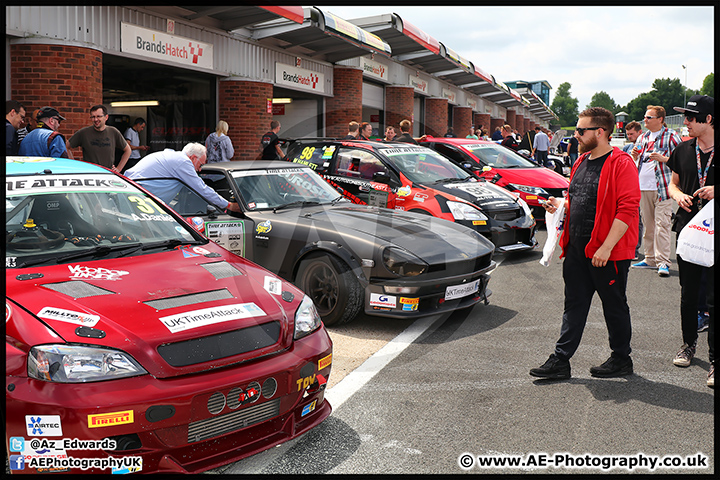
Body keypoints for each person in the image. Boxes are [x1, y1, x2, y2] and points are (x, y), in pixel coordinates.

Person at [529, 107, 640, 380]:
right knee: (573, 305)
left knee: (614, 305)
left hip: (606, 253)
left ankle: (621, 358)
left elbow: (627, 209)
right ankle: (561, 360)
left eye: (581, 130)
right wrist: (559, 204)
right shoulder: (580, 161)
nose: (575, 135)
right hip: (577, 249)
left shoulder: (621, 163)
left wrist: (606, 247)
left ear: (600, 132)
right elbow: (580, 197)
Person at [666, 95, 714, 387]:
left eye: (691, 118)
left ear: (708, 119)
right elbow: (672, 184)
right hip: (688, 233)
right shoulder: (683, 149)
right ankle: (688, 344)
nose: (685, 123)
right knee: (688, 294)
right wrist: (678, 195)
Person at [630, 105, 682, 277]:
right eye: (645, 117)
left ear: (660, 119)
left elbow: (682, 160)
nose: (644, 120)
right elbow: (635, 159)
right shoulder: (643, 137)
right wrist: (635, 155)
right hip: (643, 186)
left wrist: (665, 159)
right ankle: (650, 258)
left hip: (663, 188)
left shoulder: (671, 136)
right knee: (648, 225)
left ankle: (663, 262)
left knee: (662, 225)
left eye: (648, 117)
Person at [125, 142, 241, 213]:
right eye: (200, 165)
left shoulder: (173, 156)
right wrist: (228, 205)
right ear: (194, 158)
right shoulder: (183, 162)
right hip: (139, 197)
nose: (200, 170)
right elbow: (202, 189)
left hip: (131, 192)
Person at [69, 104, 131, 172]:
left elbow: (128, 150)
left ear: (106, 117)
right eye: (93, 117)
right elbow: (67, 146)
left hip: (107, 175)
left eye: (98, 116)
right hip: (89, 175)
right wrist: (73, 165)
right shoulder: (83, 133)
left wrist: (118, 169)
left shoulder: (113, 132)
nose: (95, 119)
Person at [622, 121, 645, 261]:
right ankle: (628, 247)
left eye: (632, 134)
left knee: (639, 219)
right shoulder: (627, 147)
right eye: (628, 134)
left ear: (639, 132)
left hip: (642, 186)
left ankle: (635, 248)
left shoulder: (645, 146)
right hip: (627, 187)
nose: (629, 136)